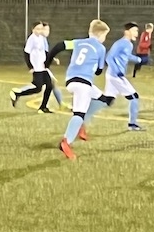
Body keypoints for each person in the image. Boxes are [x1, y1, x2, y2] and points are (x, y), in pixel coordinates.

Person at [46, 19, 109, 160]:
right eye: (105, 35)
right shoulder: (100, 48)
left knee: (103, 99)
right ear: (100, 35)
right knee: (78, 114)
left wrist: (47, 62)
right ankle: (66, 142)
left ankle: (81, 126)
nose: (105, 39)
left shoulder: (78, 42)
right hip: (83, 84)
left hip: (71, 80)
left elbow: (60, 45)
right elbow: (99, 71)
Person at [83, 22, 145, 132]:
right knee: (134, 97)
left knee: (108, 101)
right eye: (134, 31)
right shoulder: (121, 43)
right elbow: (109, 57)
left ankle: (85, 110)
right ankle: (132, 124)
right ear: (127, 32)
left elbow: (126, 56)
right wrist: (117, 71)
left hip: (113, 75)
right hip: (115, 76)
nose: (137, 33)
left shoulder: (128, 44)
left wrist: (139, 59)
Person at [11, 21, 56, 113]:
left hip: (43, 67)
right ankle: (17, 93)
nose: (40, 30)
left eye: (41, 29)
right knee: (38, 88)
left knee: (49, 85)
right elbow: (26, 53)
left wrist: (49, 60)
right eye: (37, 29)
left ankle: (43, 107)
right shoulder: (32, 39)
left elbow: (45, 51)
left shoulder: (41, 38)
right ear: (33, 29)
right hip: (37, 67)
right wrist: (30, 66)